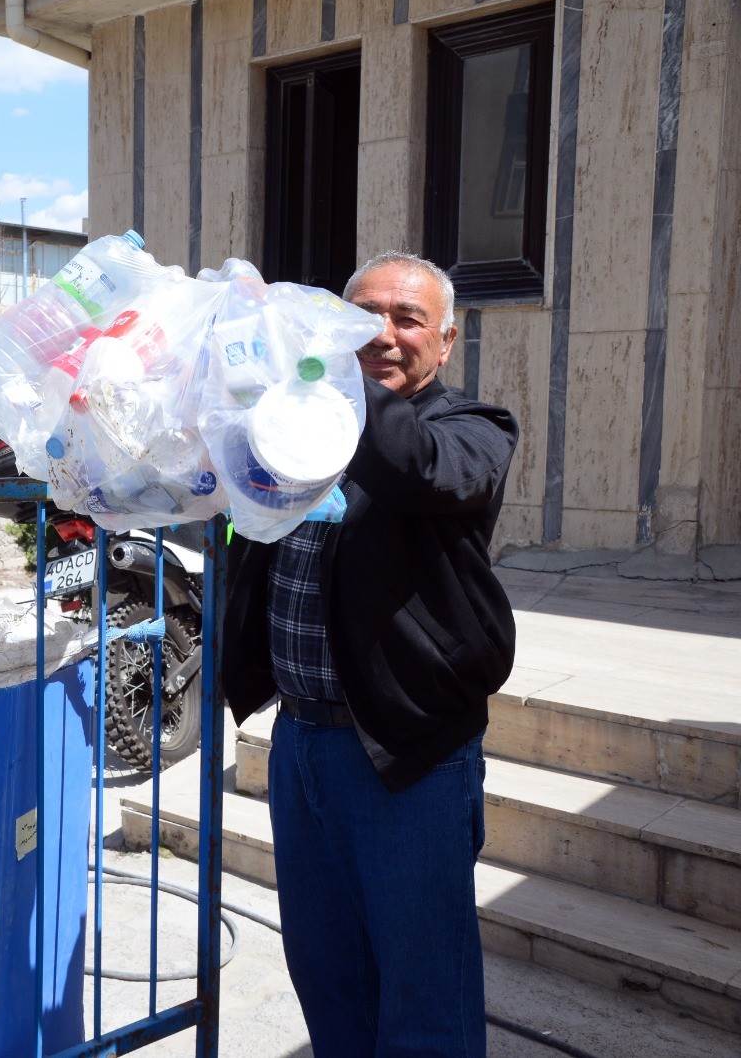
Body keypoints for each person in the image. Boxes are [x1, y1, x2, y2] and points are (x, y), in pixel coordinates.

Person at [224, 252, 519, 1055]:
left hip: (406, 754)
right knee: (330, 981)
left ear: (447, 340)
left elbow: (421, 472)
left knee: (424, 1000)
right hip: (302, 747)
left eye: (407, 319)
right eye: (364, 318)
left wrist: (320, 370)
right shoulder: (296, 430)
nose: (383, 336)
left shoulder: (470, 430)